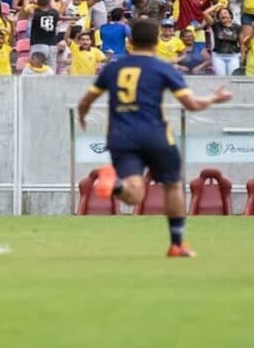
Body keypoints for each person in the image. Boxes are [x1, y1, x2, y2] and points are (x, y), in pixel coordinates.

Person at [77, 19, 233, 258]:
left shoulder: (113, 68)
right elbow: (191, 105)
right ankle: (176, 244)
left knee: (134, 194)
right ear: (157, 41)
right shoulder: (162, 68)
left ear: (129, 42)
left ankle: (116, 184)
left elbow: (86, 101)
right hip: (155, 135)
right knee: (172, 185)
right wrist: (214, 98)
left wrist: (82, 117)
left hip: (121, 137)